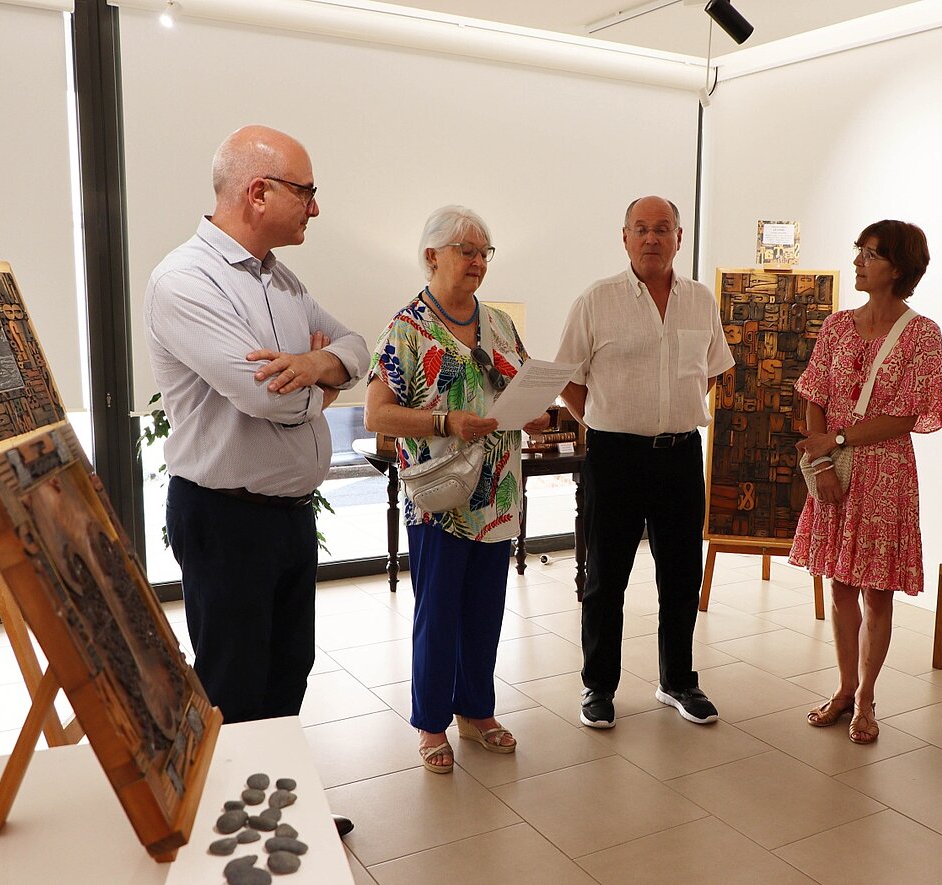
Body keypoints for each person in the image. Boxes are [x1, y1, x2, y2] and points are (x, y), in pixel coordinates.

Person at [145, 125, 368, 834]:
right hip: (225, 516)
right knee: (232, 683)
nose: (315, 208)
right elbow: (266, 396)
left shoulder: (282, 278)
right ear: (258, 191)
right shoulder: (185, 281)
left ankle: (275, 809)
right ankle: (224, 828)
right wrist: (316, 384)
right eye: (306, 192)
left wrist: (316, 364)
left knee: (287, 670)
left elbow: (358, 347)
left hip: (288, 513)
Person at [365, 205, 550, 774]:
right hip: (440, 500)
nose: (476, 262)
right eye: (465, 250)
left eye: (483, 252)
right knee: (438, 612)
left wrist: (538, 411)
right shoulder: (408, 329)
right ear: (431, 257)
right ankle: (430, 723)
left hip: (495, 496)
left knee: (485, 610)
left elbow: (517, 388)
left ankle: (476, 711)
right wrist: (446, 423)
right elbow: (378, 415)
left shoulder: (497, 322)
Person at [556, 195, 735, 729]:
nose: (652, 238)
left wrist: (671, 411)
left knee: (680, 576)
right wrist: (608, 417)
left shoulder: (701, 300)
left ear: (680, 237)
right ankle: (598, 688)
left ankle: (678, 680)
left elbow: (712, 370)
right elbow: (567, 376)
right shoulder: (597, 300)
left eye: (663, 229)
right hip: (614, 458)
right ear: (625, 238)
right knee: (605, 579)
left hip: (681, 456)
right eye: (642, 229)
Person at [791, 220, 942, 745]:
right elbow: (813, 392)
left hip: (885, 475)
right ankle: (842, 687)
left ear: (898, 268)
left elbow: (910, 416)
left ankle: (866, 698)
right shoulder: (836, 326)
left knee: (877, 593)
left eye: (871, 254)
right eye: (859, 251)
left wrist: (834, 443)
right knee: (839, 584)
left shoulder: (922, 334)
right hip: (833, 469)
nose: (858, 261)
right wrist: (820, 466)